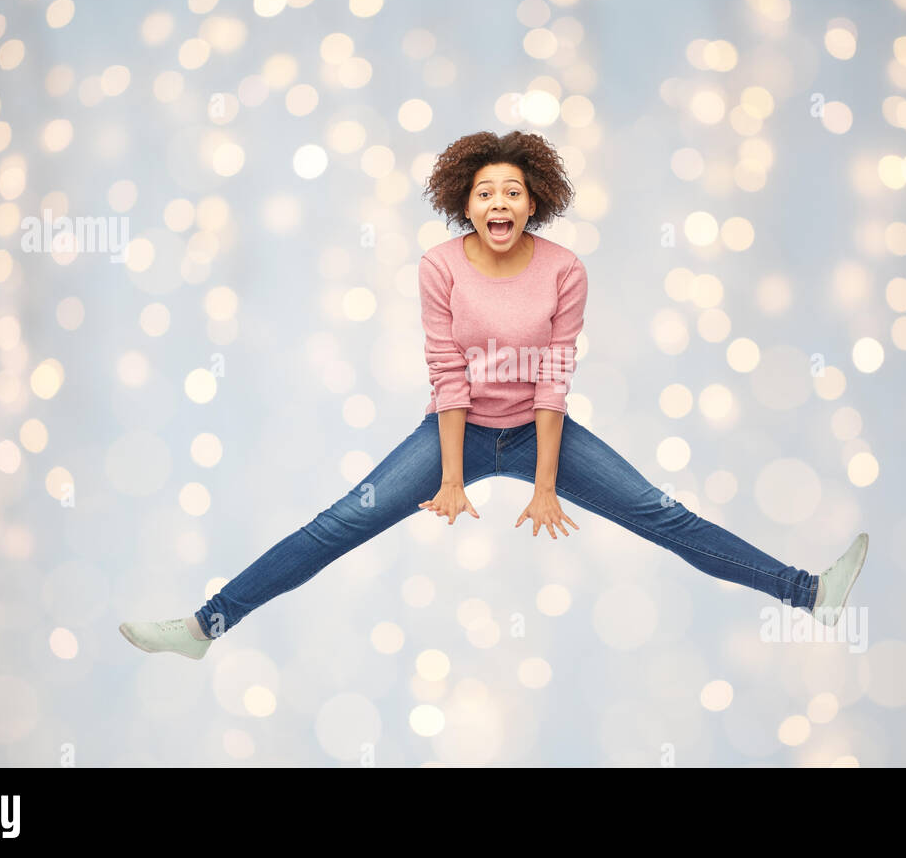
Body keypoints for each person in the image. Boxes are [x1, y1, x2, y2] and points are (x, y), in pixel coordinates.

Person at [119, 130, 867, 660]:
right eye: (486, 192)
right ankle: (204, 626)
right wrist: (448, 477)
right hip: (461, 429)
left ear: (534, 200)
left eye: (513, 190)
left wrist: (544, 484)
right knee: (340, 521)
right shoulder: (440, 267)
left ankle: (806, 591)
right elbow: (447, 375)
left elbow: (553, 377)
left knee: (659, 514)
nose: (500, 201)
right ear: (464, 202)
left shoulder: (564, 268)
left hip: (544, 430)